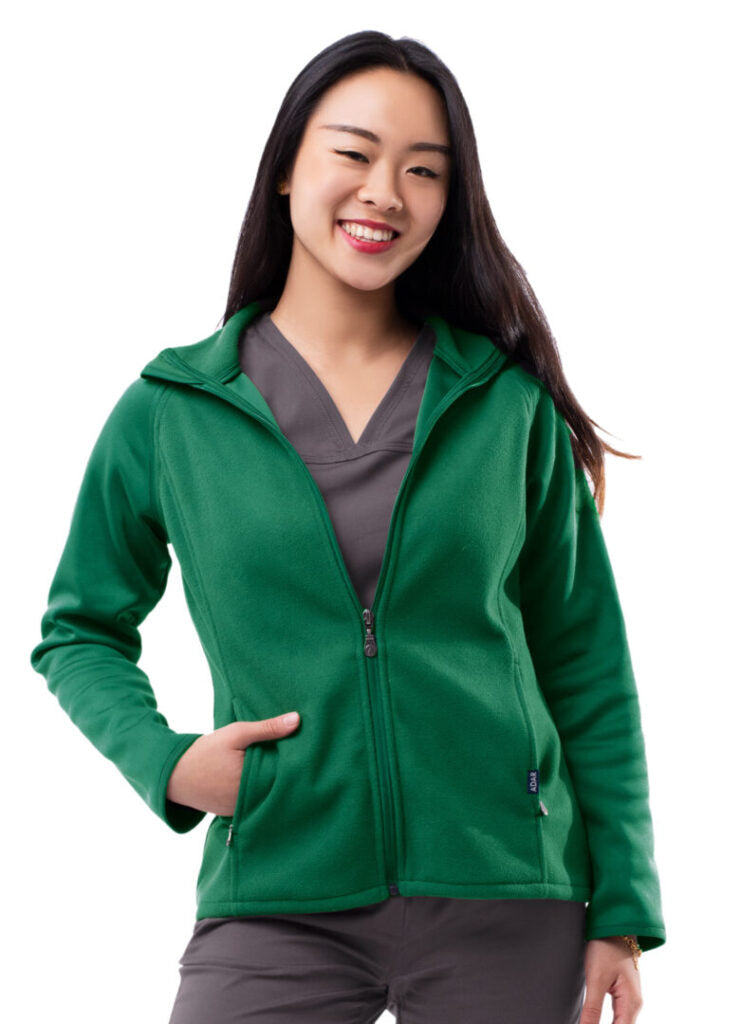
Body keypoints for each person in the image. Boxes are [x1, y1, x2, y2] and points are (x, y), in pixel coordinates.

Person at [29, 28, 666, 1024]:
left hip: (506, 887)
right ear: (287, 167)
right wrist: (168, 762)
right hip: (277, 891)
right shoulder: (172, 410)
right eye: (355, 153)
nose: (385, 193)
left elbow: (585, 662)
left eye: (423, 170)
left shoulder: (505, 407)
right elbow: (77, 629)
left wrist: (620, 907)